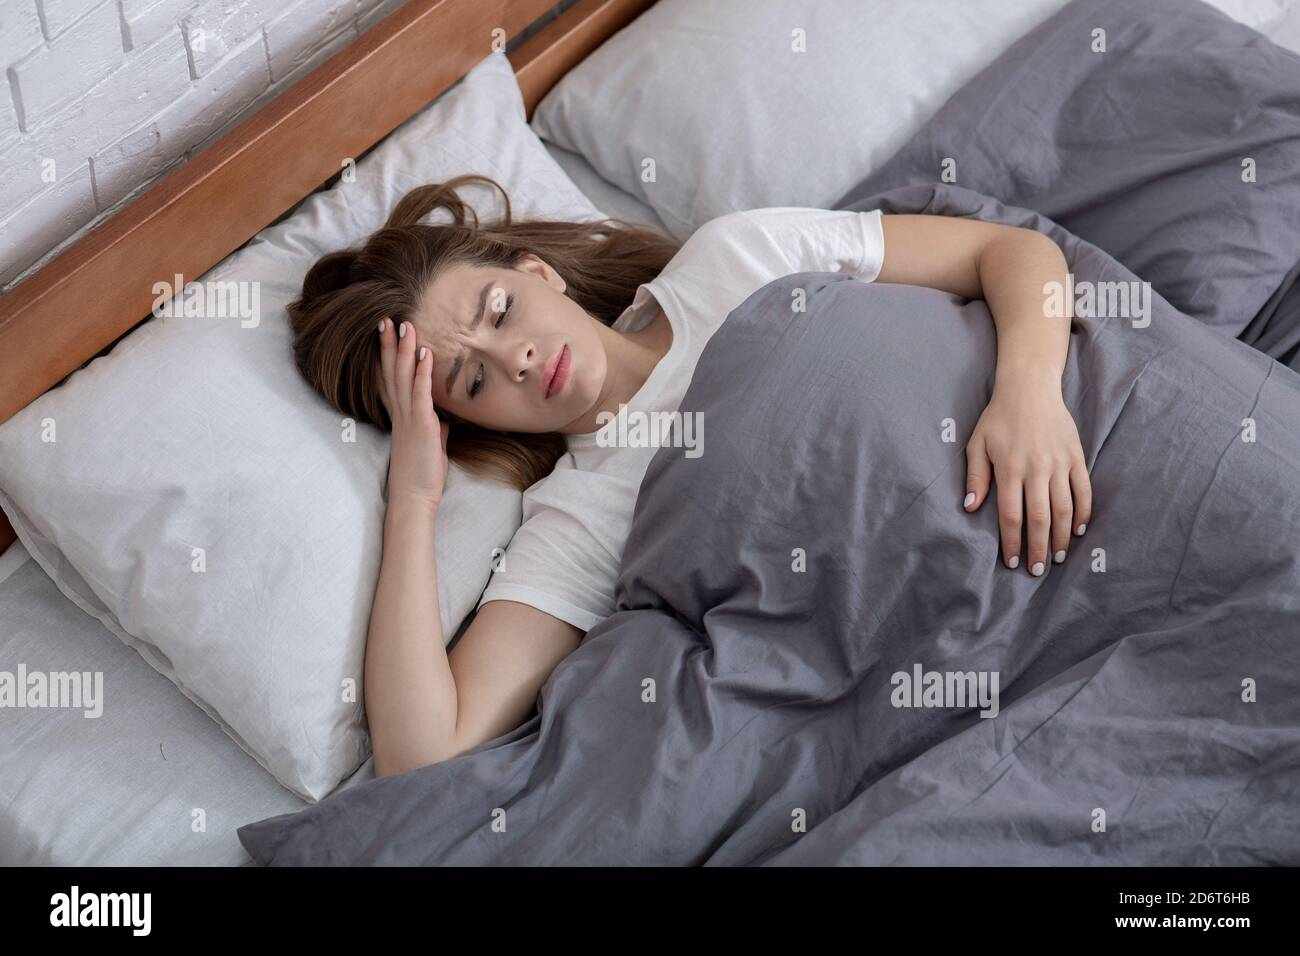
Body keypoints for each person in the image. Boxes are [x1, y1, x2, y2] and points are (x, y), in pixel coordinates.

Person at [289, 174, 1091, 777]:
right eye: (471, 380)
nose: (517, 358)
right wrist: (414, 498)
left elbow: (1007, 250)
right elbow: (422, 755)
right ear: (468, 423)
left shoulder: (735, 254)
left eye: (498, 312)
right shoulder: (578, 514)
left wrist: (1028, 392)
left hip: (1058, 476)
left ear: (538, 272)